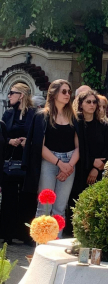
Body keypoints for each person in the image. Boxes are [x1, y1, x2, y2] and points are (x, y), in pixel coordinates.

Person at [23, 79, 79, 236]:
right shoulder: (42, 116)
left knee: (60, 209)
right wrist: (60, 164)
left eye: (69, 91)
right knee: (44, 207)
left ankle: (56, 248)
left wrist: (69, 166)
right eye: (64, 91)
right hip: (49, 162)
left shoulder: (74, 117)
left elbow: (79, 146)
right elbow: (38, 146)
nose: (68, 95)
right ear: (53, 93)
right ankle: (41, 246)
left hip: (70, 162)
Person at [1, 83, 36, 245]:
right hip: (9, 162)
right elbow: (1, 136)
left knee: (27, 199)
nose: (9, 96)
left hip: (27, 163)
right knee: (8, 198)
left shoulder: (35, 114)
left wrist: (27, 142)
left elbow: (39, 136)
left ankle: (25, 235)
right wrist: (10, 141)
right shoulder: (8, 114)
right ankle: (7, 234)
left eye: (12, 93)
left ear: (21, 95)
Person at [75, 90, 108, 188]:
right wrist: (92, 161)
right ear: (80, 104)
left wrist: (96, 169)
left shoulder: (105, 126)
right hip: (78, 170)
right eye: (88, 102)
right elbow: (79, 148)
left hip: (99, 170)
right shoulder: (75, 124)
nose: (92, 104)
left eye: (94, 102)